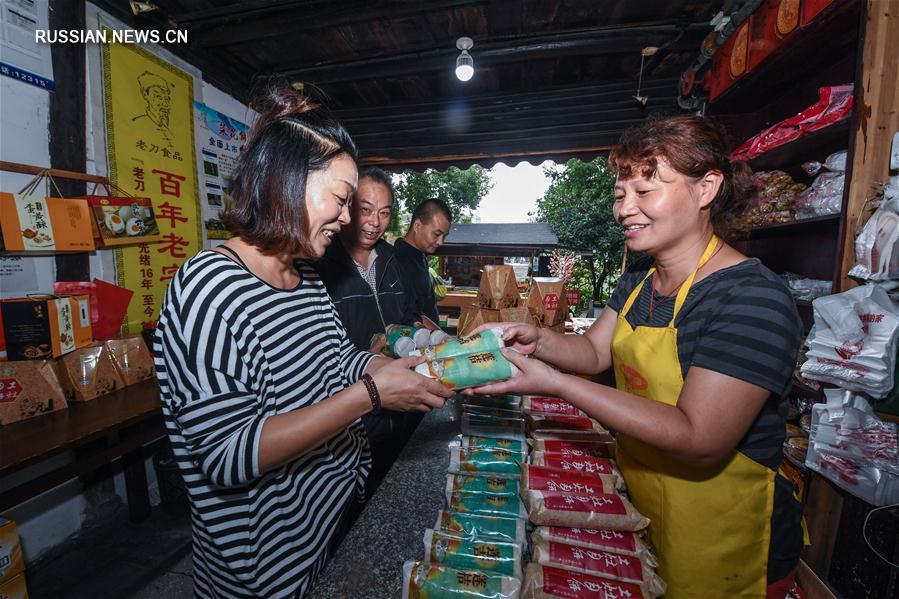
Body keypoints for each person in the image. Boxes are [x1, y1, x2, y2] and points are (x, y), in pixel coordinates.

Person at [470, 116, 804, 599]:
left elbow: (699, 436)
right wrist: (536, 339)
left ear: (707, 188)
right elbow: (592, 350)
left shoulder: (752, 299)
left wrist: (556, 383)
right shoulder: (639, 280)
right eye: (620, 194)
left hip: (725, 543)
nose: (624, 209)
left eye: (645, 192)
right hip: (640, 509)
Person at [153, 88, 451, 599]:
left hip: (328, 524)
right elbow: (228, 455)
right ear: (285, 183)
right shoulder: (209, 288)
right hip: (266, 565)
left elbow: (337, 360)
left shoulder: (306, 274)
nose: (349, 219)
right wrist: (372, 395)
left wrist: (403, 363)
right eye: (340, 200)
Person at [316, 166, 417, 493]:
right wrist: (365, 359)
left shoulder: (392, 260)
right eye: (365, 210)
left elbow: (408, 317)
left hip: (398, 411)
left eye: (384, 213)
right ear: (346, 208)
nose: (375, 222)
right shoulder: (320, 263)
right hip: (349, 423)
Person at [393, 198, 452, 324]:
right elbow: (409, 315)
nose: (441, 242)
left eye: (444, 236)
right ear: (417, 226)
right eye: (437, 234)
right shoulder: (398, 260)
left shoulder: (419, 256)